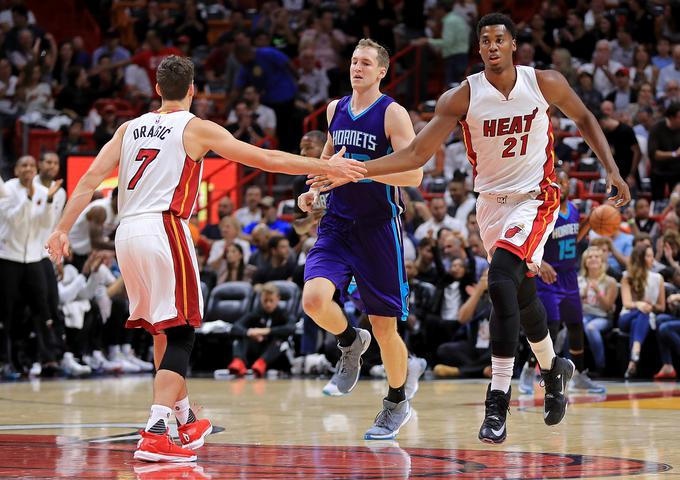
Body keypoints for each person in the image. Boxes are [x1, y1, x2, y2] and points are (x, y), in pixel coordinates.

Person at [326, 14, 631, 444]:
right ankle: (553, 367)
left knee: (501, 280)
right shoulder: (462, 96)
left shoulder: (544, 83)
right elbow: (415, 154)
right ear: (479, 49)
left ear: (513, 44)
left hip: (535, 198)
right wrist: (356, 171)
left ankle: (498, 400)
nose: (491, 46)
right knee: (521, 293)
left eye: (499, 39)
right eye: (484, 40)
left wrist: (612, 169)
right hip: (489, 206)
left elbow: (584, 119)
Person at [45, 55, 366, 463]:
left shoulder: (128, 128)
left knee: (162, 329)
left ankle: (185, 417)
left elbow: (89, 181)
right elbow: (265, 158)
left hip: (126, 232)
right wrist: (324, 164)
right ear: (193, 89)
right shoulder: (195, 128)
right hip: (164, 227)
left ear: (157, 89)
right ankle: (157, 428)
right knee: (181, 332)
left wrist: (60, 229)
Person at [298, 39, 423, 441]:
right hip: (337, 224)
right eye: (354, 61)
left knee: (387, 329)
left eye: (366, 63)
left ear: (382, 70)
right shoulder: (335, 109)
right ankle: (351, 342)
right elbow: (330, 166)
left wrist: (362, 172)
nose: (358, 67)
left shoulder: (393, 114)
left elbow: (413, 175)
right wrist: (316, 190)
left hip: (378, 229)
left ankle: (397, 401)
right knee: (314, 300)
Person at [517, 171, 605, 395]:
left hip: (569, 276)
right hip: (548, 277)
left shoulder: (574, 210)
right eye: (559, 182)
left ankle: (581, 376)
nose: (563, 185)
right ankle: (528, 371)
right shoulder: (546, 210)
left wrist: (589, 223)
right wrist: (542, 262)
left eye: (566, 182)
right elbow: (529, 241)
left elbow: (573, 238)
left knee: (576, 326)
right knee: (550, 327)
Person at [227, 282, 296, 377]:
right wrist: (249, 332)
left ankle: (262, 363)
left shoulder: (283, 313)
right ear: (260, 299)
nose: (268, 304)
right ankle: (238, 362)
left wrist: (266, 331)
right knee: (239, 336)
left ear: (278, 299)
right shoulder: (257, 312)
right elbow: (235, 327)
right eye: (265, 301)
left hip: (274, 353)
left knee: (280, 340)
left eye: (271, 301)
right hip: (257, 349)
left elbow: (291, 328)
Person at [619, 244, 665, 378]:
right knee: (641, 314)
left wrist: (651, 306)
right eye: (649, 256)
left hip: (646, 316)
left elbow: (661, 307)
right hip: (626, 316)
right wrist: (638, 304)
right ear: (640, 258)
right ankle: (636, 352)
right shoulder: (627, 277)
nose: (652, 259)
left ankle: (633, 360)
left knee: (641, 317)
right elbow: (626, 303)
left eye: (652, 255)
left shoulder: (658, 278)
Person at [578, 246, 618, 374]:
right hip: (584, 315)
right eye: (590, 257)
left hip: (602, 317)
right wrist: (581, 297)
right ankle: (572, 367)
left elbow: (607, 307)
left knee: (591, 327)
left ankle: (600, 366)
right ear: (585, 261)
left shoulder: (610, 281)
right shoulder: (579, 280)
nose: (593, 259)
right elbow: (573, 307)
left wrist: (598, 292)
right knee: (574, 326)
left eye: (596, 257)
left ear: (602, 261)